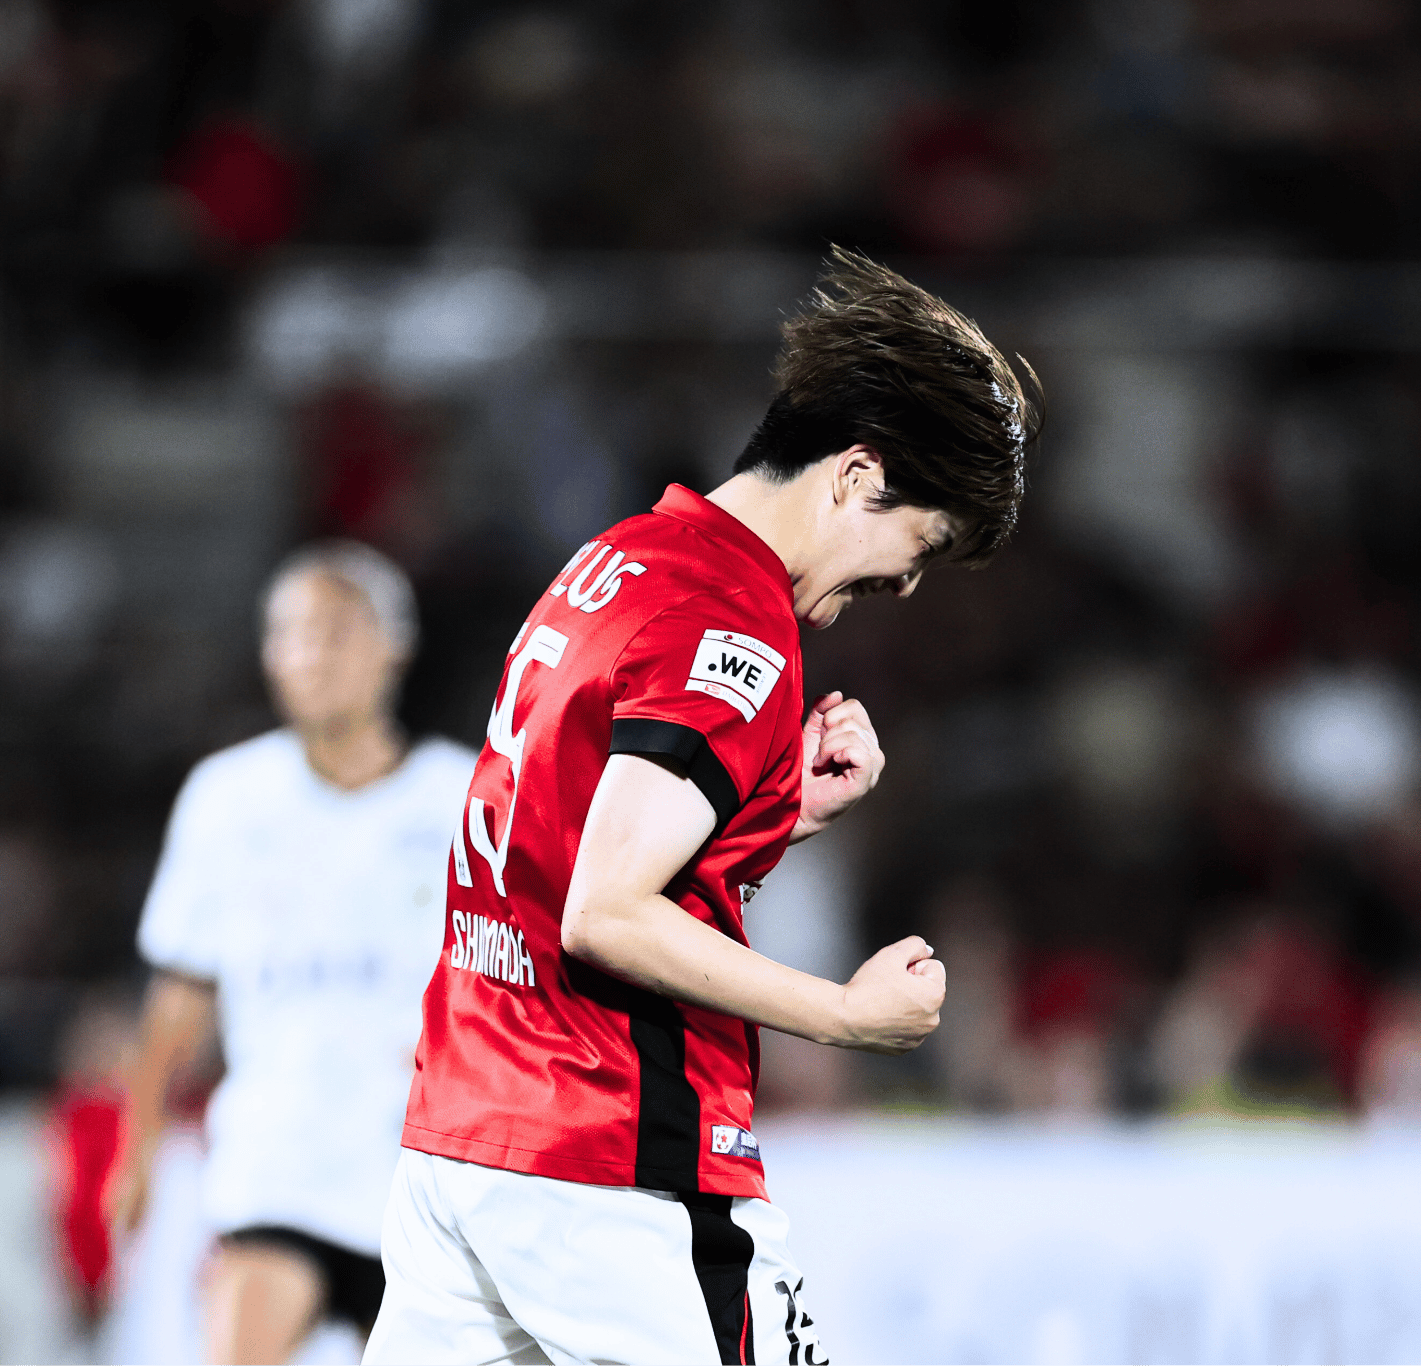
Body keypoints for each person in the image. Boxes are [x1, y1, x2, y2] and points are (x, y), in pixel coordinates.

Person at [365, 247, 1043, 1366]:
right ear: (854, 476)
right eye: (919, 544)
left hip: (468, 1135)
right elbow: (606, 912)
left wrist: (772, 812)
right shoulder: (731, 622)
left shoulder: (619, 559)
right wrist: (842, 1014)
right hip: (613, 1160)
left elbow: (567, 838)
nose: (905, 584)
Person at [115, 542, 475, 1363]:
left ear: (395, 646)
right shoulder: (225, 797)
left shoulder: (463, 797)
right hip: (277, 1162)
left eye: (338, 631)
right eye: (292, 633)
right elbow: (180, 995)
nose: (312, 654)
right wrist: (136, 1146)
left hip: (423, 1169)